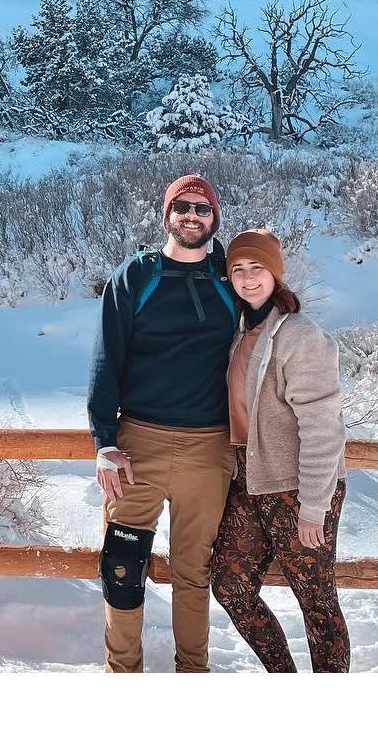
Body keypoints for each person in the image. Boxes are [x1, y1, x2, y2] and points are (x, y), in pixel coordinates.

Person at [87, 174, 238, 672]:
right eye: (183, 207)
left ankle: (192, 674)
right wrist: (104, 441)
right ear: (166, 214)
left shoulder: (229, 278)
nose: (192, 216)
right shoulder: (136, 276)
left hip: (208, 448)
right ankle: (122, 674)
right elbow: (107, 360)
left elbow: (270, 334)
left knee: (194, 572)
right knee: (122, 566)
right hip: (139, 446)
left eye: (203, 209)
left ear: (215, 218)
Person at [210, 228, 350, 673]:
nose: (248, 279)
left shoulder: (301, 337)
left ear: (276, 274)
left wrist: (314, 506)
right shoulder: (240, 333)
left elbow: (323, 427)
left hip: (296, 486)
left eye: (258, 269)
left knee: (315, 598)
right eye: (238, 270)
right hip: (248, 480)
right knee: (230, 584)